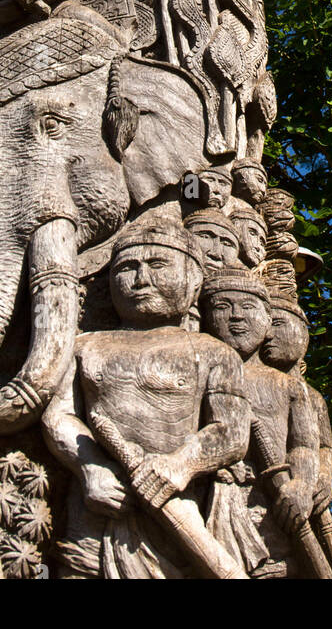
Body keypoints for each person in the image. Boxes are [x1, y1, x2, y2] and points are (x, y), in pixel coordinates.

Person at [41, 220, 250, 579]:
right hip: (100, 515)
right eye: (126, 268)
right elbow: (58, 415)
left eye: (157, 266)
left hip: (182, 515)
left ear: (194, 280)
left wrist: (180, 465)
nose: (140, 279)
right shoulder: (84, 347)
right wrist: (90, 467)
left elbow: (231, 431)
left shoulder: (213, 353)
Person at [199, 268, 320, 578]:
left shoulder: (289, 386)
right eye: (223, 307)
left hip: (272, 506)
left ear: (268, 323)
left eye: (248, 307)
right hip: (211, 500)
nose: (236, 316)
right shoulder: (196, 371)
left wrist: (301, 485)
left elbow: (304, 444)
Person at [261, 297, 332, 578]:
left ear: (302, 334)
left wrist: (324, 477)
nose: (268, 334)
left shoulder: (313, 397)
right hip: (270, 488)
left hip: (309, 493)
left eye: (277, 324)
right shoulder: (253, 380)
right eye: (265, 325)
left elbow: (324, 445)